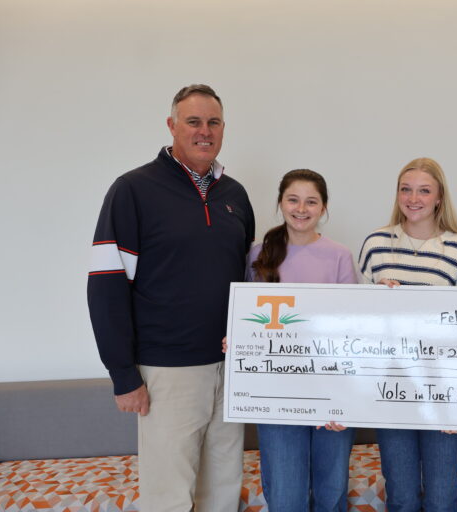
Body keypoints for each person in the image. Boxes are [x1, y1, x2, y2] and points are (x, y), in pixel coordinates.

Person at [87, 84, 255, 512]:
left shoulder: (235, 196)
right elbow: (106, 287)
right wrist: (123, 374)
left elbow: (249, 282)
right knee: (168, 497)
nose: (204, 131)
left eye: (213, 122)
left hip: (229, 369)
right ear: (172, 126)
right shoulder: (133, 190)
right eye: (193, 121)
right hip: (167, 372)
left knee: (221, 488)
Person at [226, 169, 357, 511]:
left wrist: (346, 400)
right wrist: (236, 341)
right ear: (280, 203)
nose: (301, 208)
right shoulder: (257, 254)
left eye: (311, 201)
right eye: (293, 199)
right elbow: (247, 321)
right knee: (286, 497)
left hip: (331, 394)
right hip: (276, 397)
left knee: (331, 494)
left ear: (324, 207)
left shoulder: (340, 255)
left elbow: (352, 331)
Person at [358, 157, 457, 512]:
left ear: (440, 197)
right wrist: (377, 296)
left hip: (444, 393)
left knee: (442, 496)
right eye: (406, 189)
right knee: (401, 495)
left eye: (424, 190)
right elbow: (357, 324)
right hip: (390, 392)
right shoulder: (375, 245)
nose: (414, 198)